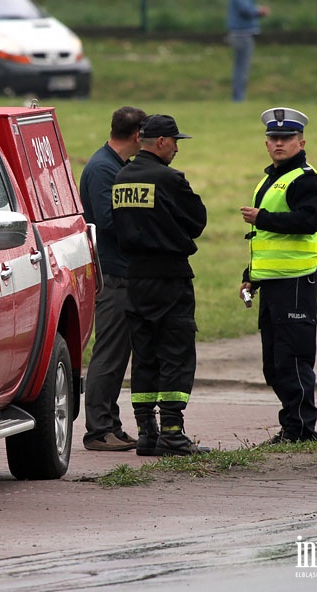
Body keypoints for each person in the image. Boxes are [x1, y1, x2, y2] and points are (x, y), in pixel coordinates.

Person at [111, 114, 210, 456]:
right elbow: (197, 221)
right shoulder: (169, 179)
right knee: (176, 355)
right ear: (162, 142)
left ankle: (146, 434)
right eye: (176, 142)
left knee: (145, 357)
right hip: (170, 279)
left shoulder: (121, 178)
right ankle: (172, 432)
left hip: (135, 280)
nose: (177, 149)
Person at [239, 107, 317, 444]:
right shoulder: (270, 179)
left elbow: (309, 221)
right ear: (266, 143)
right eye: (274, 138)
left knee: (293, 360)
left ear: (301, 142)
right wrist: (252, 277)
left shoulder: (306, 179)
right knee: (273, 364)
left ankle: (301, 430)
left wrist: (262, 218)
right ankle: (292, 426)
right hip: (273, 283)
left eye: (286, 138)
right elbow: (267, 242)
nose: (279, 143)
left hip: (296, 282)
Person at [80, 106, 149, 452]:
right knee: (108, 354)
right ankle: (97, 430)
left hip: (121, 272)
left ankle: (112, 424)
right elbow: (108, 221)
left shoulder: (114, 165)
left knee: (117, 354)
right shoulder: (103, 169)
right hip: (112, 275)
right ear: (138, 135)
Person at [227, 0, 270, 102]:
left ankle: (239, 97)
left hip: (242, 34)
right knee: (242, 68)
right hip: (241, 34)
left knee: (241, 68)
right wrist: (259, 11)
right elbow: (245, 9)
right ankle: (238, 98)